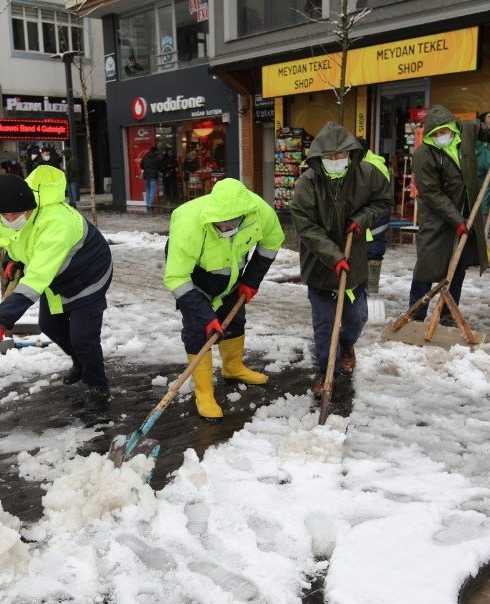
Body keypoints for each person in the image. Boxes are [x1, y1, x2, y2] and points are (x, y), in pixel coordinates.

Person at [0, 166, 113, 407]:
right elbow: (17, 243)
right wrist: (13, 259)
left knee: (83, 337)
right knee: (50, 325)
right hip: (56, 274)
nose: (10, 220)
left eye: (16, 214)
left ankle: (98, 386)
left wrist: (0, 321)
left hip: (88, 273)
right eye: (5, 215)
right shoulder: (3, 218)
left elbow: (36, 279)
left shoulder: (56, 223)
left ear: (30, 206)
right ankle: (80, 362)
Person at [164, 178, 284, 419]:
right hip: (195, 276)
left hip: (232, 275)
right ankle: (204, 392)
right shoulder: (189, 224)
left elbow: (271, 243)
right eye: (220, 224)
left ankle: (233, 367)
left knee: (235, 318)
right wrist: (205, 315)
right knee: (198, 329)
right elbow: (176, 277)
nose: (225, 228)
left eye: (231, 223)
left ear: (244, 214)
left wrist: (251, 281)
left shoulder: (261, 212)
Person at [291, 123, 393, 395]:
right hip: (321, 267)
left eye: (340, 156)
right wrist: (334, 256)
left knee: (357, 318)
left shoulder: (367, 174)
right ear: (319, 157)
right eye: (329, 157)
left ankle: (347, 345)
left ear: (350, 154)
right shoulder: (307, 183)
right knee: (325, 327)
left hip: (355, 261)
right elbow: (306, 227)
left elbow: (383, 202)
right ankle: (327, 374)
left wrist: (361, 220)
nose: (335, 162)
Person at [408, 104, 490, 325]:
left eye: (443, 131)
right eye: (435, 134)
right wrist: (456, 221)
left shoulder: (465, 130)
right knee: (428, 264)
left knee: (458, 263)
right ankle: (415, 315)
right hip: (436, 215)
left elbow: (483, 128)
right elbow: (432, 194)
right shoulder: (423, 155)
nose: (440, 136)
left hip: (467, 209)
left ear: (452, 128)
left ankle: (447, 314)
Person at [355, 136, 392, 296]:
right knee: (368, 250)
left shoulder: (372, 167)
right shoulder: (366, 163)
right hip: (369, 216)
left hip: (375, 216)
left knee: (372, 250)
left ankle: (370, 290)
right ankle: (365, 290)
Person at [141, 146, 162, 210]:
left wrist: (146, 169)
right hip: (153, 176)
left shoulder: (145, 156)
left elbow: (141, 165)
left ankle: (148, 204)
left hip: (146, 176)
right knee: (152, 190)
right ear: (155, 151)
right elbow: (160, 166)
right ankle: (150, 205)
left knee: (148, 189)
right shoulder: (156, 158)